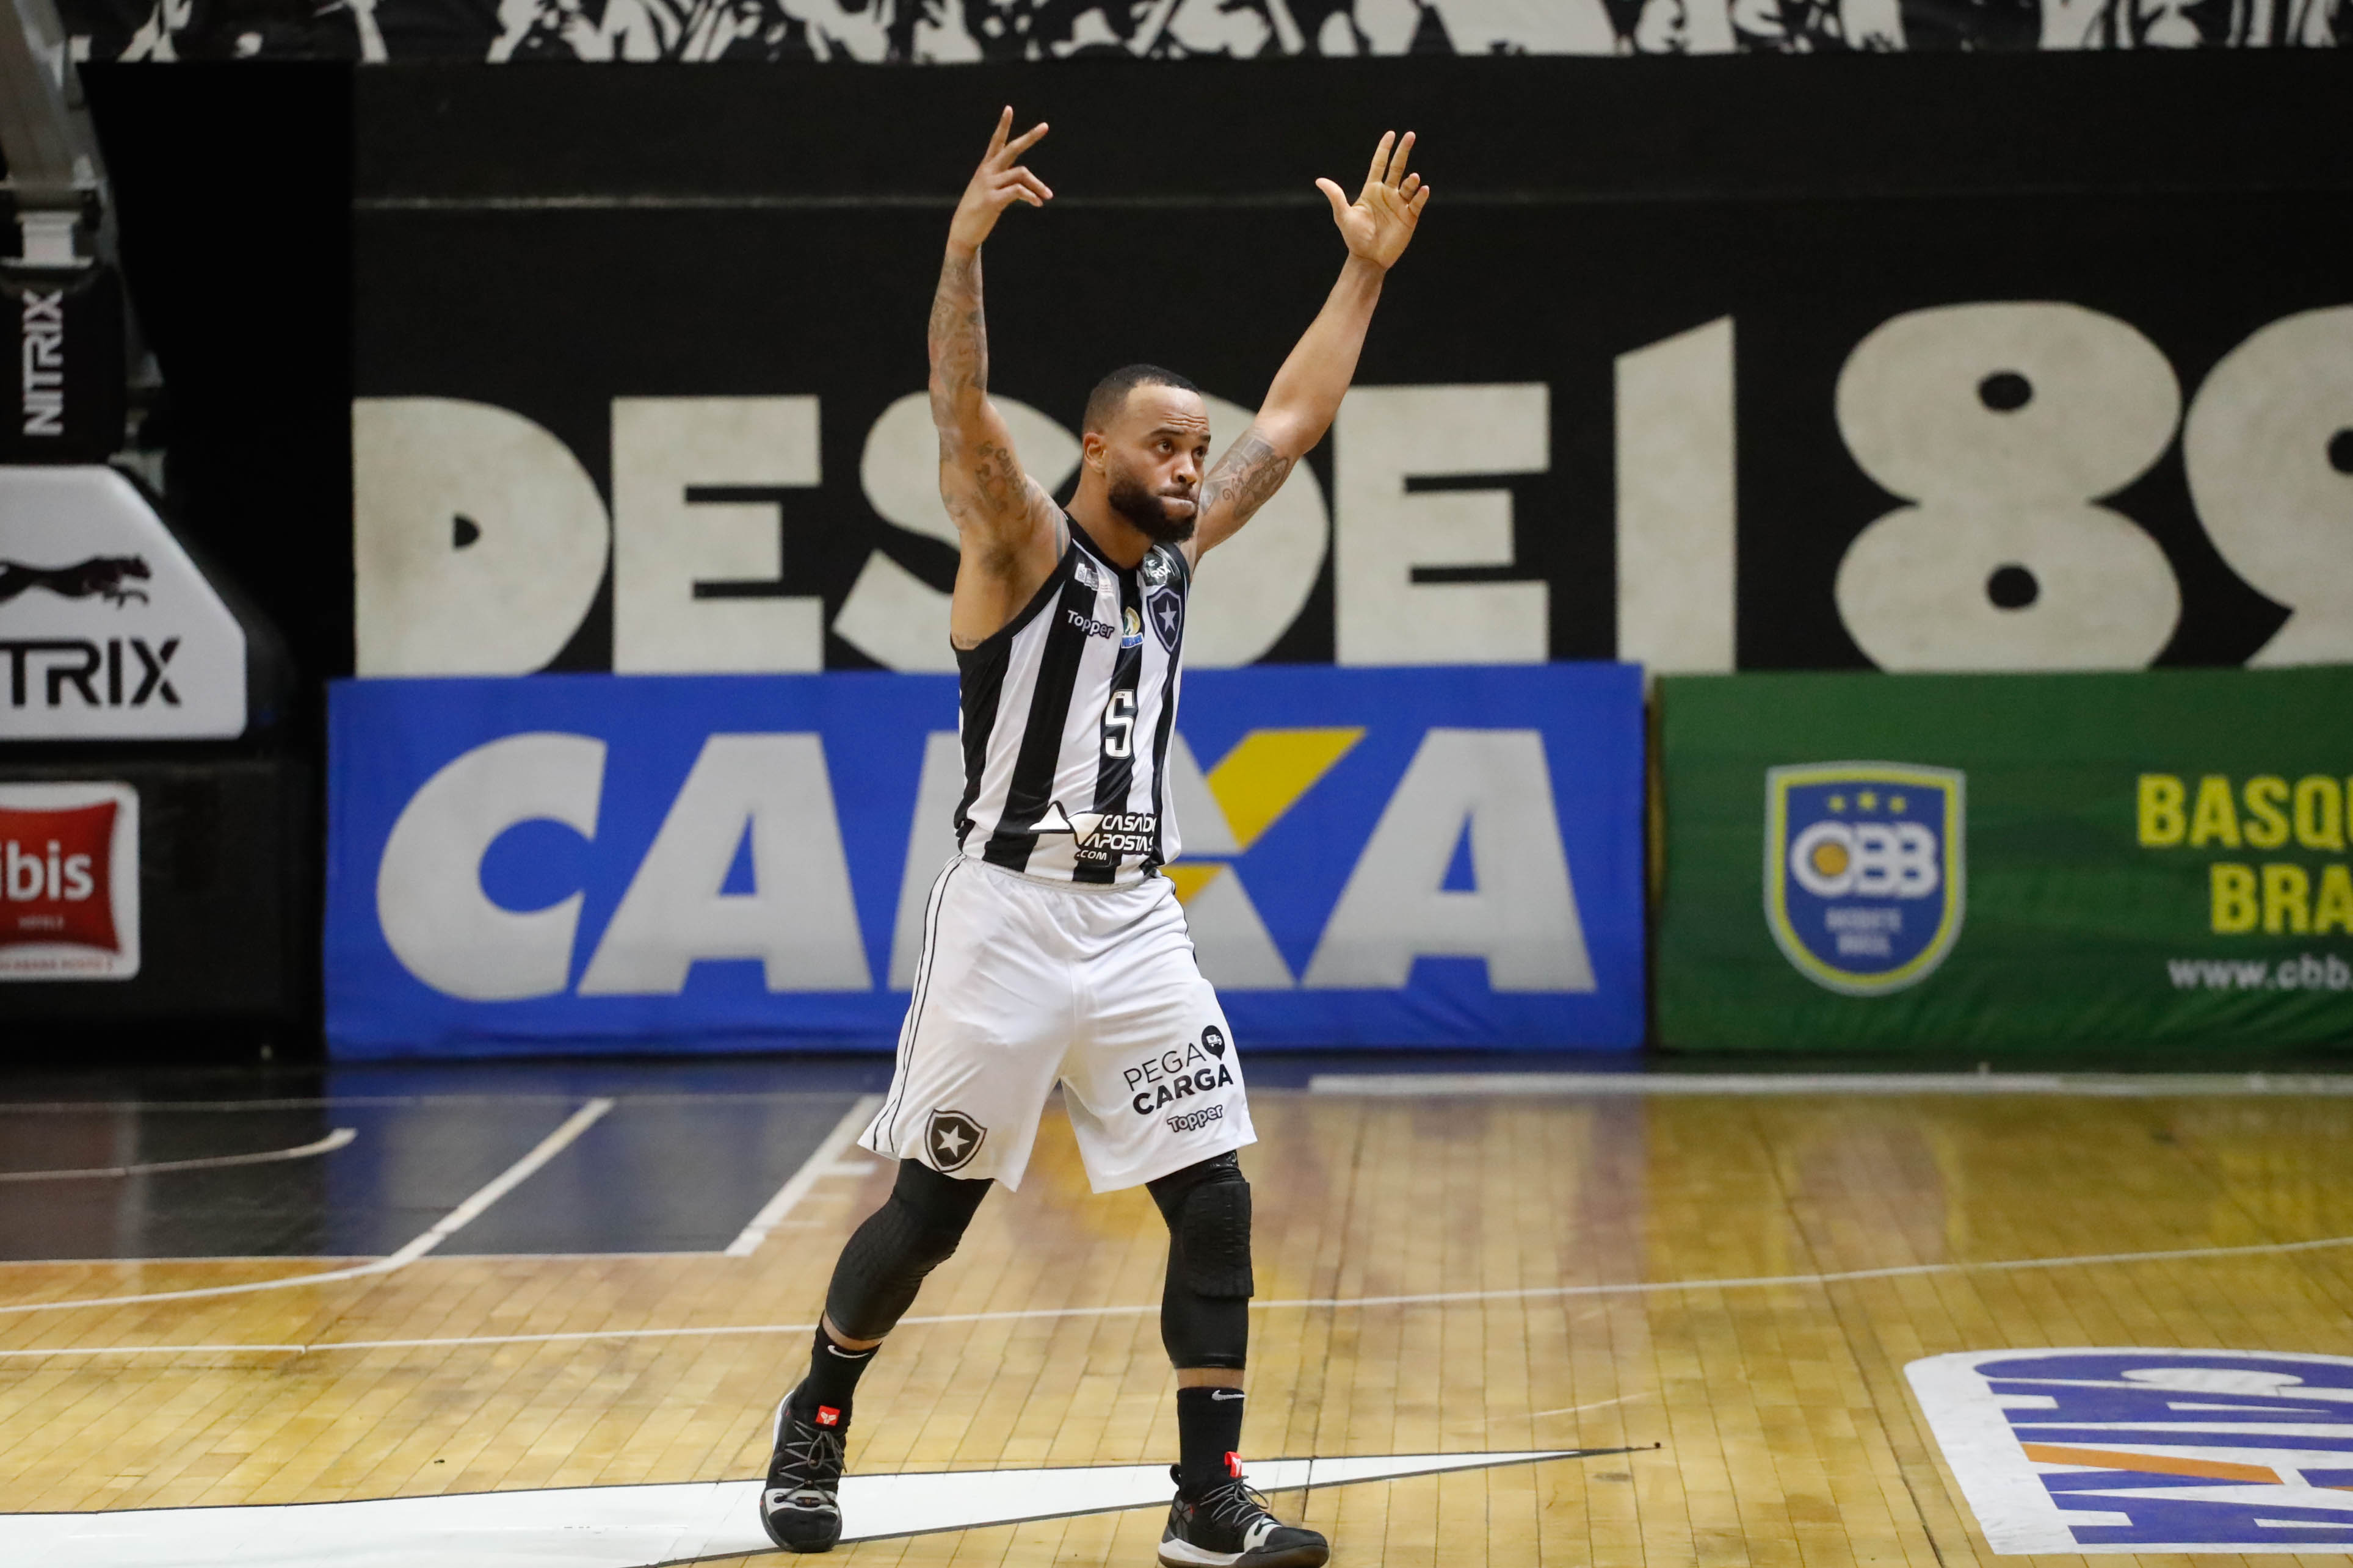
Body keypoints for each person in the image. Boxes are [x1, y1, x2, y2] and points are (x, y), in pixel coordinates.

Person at [758, 107, 1428, 1568]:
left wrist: (1363, 271)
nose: (1195, 464)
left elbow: (1297, 420)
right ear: (1097, 448)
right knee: (929, 1212)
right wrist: (960, 254)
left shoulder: (1178, 561)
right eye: (1167, 445)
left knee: (1218, 1198)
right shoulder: (1017, 545)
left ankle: (1206, 1499)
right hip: (1004, 916)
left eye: (1198, 447)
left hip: (1135, 922)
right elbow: (957, 412)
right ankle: (815, 1421)